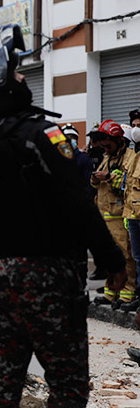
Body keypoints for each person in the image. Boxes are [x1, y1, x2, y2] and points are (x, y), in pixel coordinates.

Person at [0, 23, 127, 408]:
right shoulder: (39, 135)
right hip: (46, 276)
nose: (19, 79)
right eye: (14, 73)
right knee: (68, 385)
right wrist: (113, 263)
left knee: (4, 383)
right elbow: (78, 203)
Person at [89, 119, 136, 308]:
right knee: (109, 258)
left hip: (120, 215)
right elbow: (97, 183)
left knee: (125, 256)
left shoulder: (130, 157)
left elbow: (128, 184)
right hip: (105, 216)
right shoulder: (108, 157)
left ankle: (127, 293)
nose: (104, 148)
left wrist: (109, 177)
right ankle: (111, 293)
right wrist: (95, 179)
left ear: (119, 141)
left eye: (107, 144)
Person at [120, 121, 140, 312]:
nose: (135, 129)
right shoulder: (134, 155)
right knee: (137, 257)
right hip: (132, 215)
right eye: (133, 125)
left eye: (139, 125)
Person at [61, 124, 93, 196]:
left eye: (73, 138)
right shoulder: (56, 159)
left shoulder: (84, 159)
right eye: (67, 138)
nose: (70, 140)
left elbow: (89, 185)